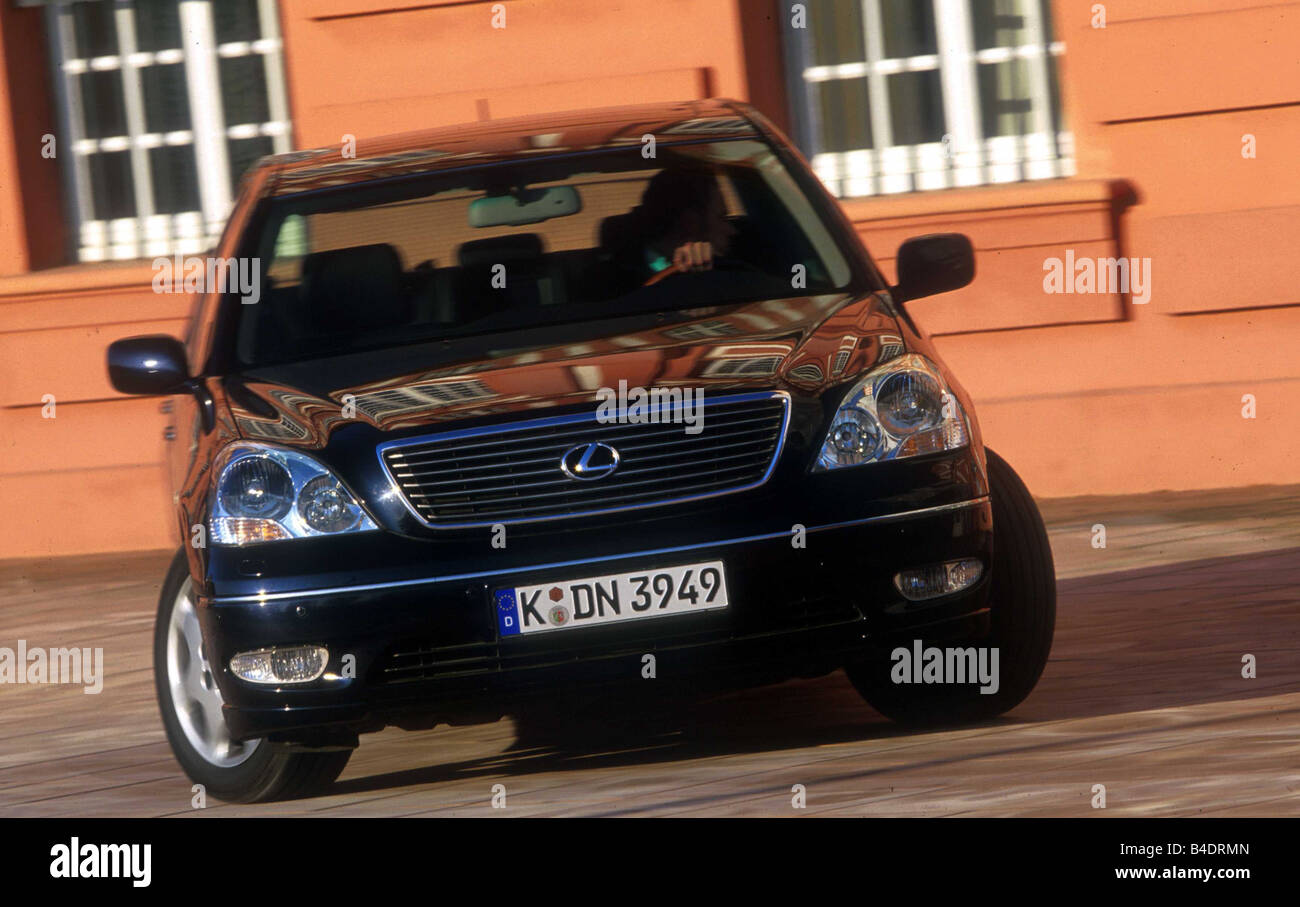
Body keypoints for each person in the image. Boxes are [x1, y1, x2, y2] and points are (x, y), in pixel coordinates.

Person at [632, 163, 737, 280]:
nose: (731, 230)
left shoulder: (732, 264)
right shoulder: (624, 280)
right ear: (691, 222)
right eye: (721, 218)